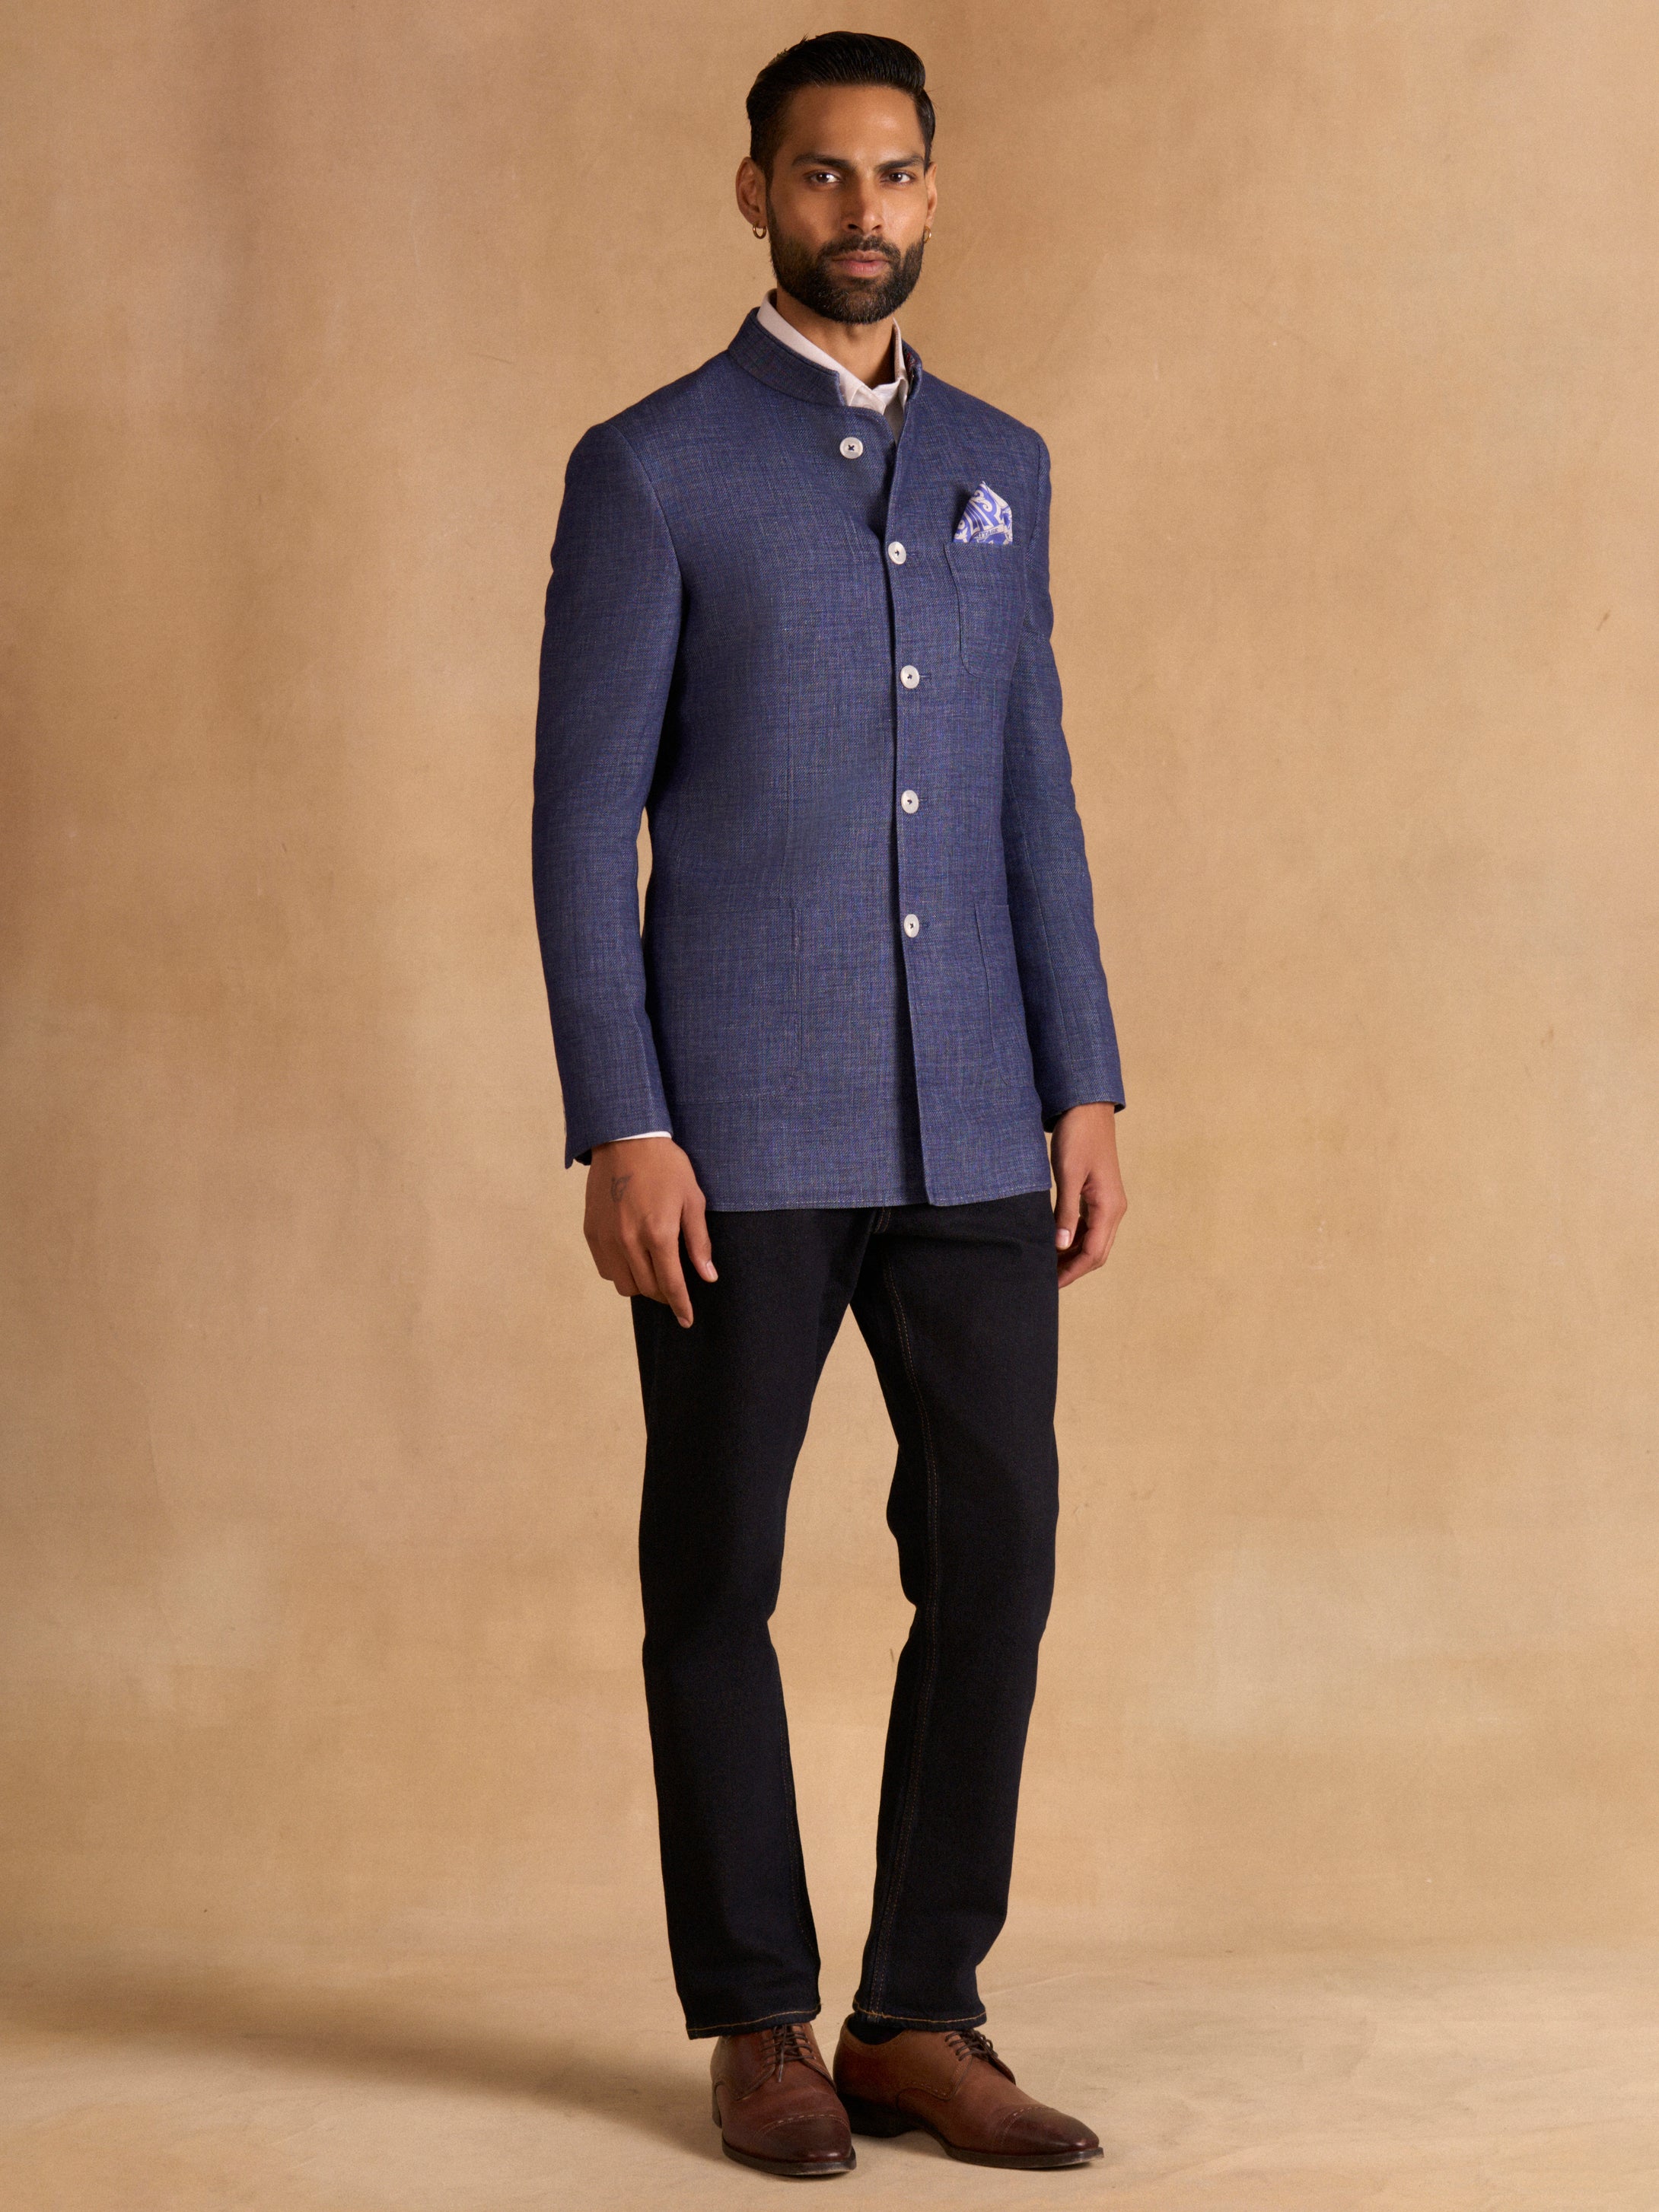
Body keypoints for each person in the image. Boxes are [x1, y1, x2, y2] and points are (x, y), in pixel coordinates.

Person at [531, 30, 1127, 2178]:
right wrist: (622, 1116)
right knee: (716, 1566)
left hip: (973, 1114)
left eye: (891, 175)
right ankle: (757, 2020)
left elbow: (1030, 791)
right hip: (733, 1131)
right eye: (819, 175)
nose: (858, 211)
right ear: (756, 195)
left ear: (933, 193)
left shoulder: (1000, 461)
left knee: (998, 1549)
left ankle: (918, 2011)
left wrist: (1082, 1077)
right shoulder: (652, 466)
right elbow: (577, 817)